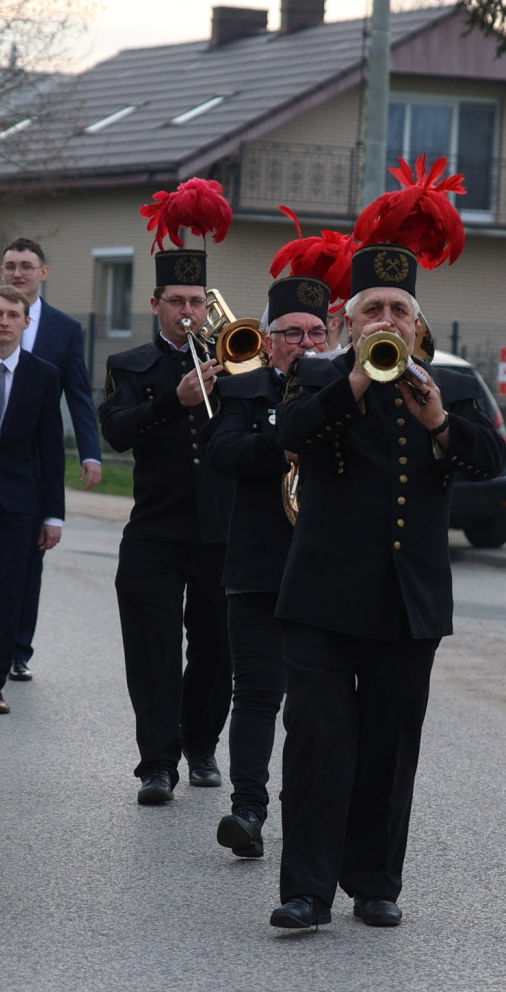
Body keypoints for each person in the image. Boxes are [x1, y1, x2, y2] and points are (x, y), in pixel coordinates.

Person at [269, 241, 506, 929]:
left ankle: (374, 880)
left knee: (389, 745)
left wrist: (437, 420)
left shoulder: (450, 388)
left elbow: (491, 460)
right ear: (349, 323)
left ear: (417, 325)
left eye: (399, 309)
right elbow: (293, 431)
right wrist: (358, 384)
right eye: (372, 307)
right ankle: (307, 890)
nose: (387, 318)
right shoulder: (318, 376)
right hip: (321, 598)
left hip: (409, 600)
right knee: (317, 742)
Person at [99, 179, 235, 804]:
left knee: (217, 648)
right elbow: (118, 432)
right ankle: (157, 762)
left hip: (220, 530)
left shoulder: (236, 362)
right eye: (176, 301)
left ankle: (201, 742)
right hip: (155, 529)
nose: (188, 312)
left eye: (197, 302)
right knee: (151, 651)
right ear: (154, 304)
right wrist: (168, 400)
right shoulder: (131, 367)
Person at [203, 274, 330, 858]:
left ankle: (308, 814)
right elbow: (222, 454)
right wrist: (283, 445)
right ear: (269, 339)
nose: (305, 342)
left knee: (318, 705)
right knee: (255, 694)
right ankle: (247, 810)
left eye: (316, 332)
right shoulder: (245, 387)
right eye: (292, 333)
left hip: (327, 568)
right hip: (257, 566)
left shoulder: (348, 389)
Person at [0, 238, 102, 683]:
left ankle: (17, 648)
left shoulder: (64, 329)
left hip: (28, 472)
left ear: (44, 272)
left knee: (24, 568)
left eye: (26, 266)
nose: (17, 272)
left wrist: (91, 452)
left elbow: (77, 395)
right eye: (10, 266)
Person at [0, 285, 65, 714]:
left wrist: (53, 514)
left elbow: (51, 446)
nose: (4, 321)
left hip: (21, 498)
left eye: (13, 315)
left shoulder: (44, 374)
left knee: (10, 589)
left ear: (26, 322)